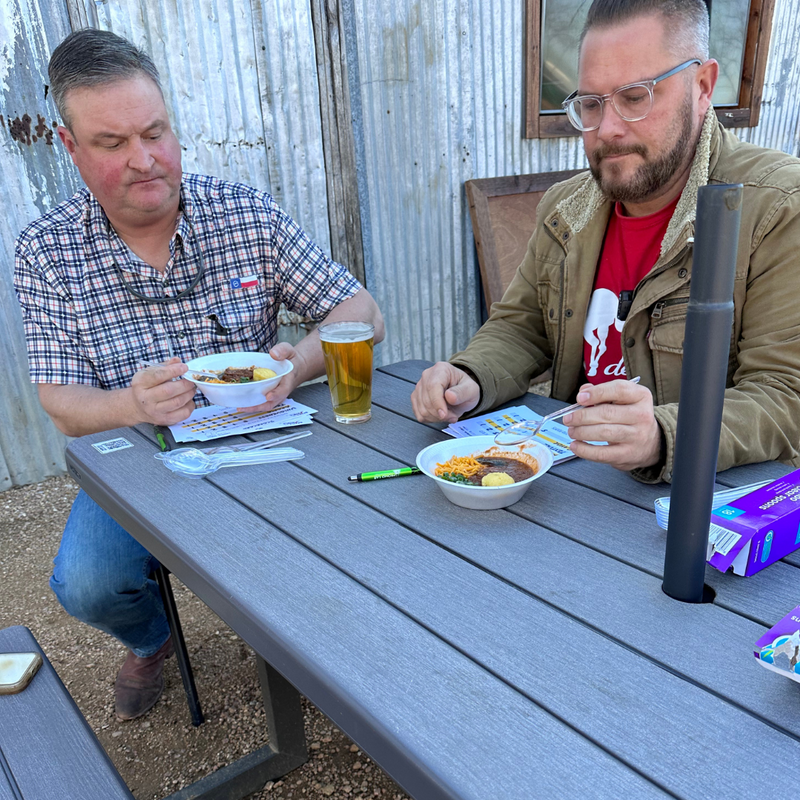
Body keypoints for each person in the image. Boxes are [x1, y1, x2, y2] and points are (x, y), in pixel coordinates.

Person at [14, 29, 384, 721]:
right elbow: (61, 403)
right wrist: (132, 402)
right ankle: (151, 638)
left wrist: (297, 363)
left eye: (155, 132)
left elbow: (360, 311)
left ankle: (325, 645)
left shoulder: (244, 213)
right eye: (112, 143)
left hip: (264, 434)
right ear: (71, 148)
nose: (145, 160)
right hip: (141, 455)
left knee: (358, 522)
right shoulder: (47, 250)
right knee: (88, 585)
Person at [412, 0, 800, 483]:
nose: (608, 130)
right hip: (568, 486)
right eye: (591, 104)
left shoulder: (777, 206)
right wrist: (470, 377)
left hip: (693, 510)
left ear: (702, 87)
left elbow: (785, 394)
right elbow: (520, 326)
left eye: (635, 97)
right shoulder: (565, 207)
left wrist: (662, 434)